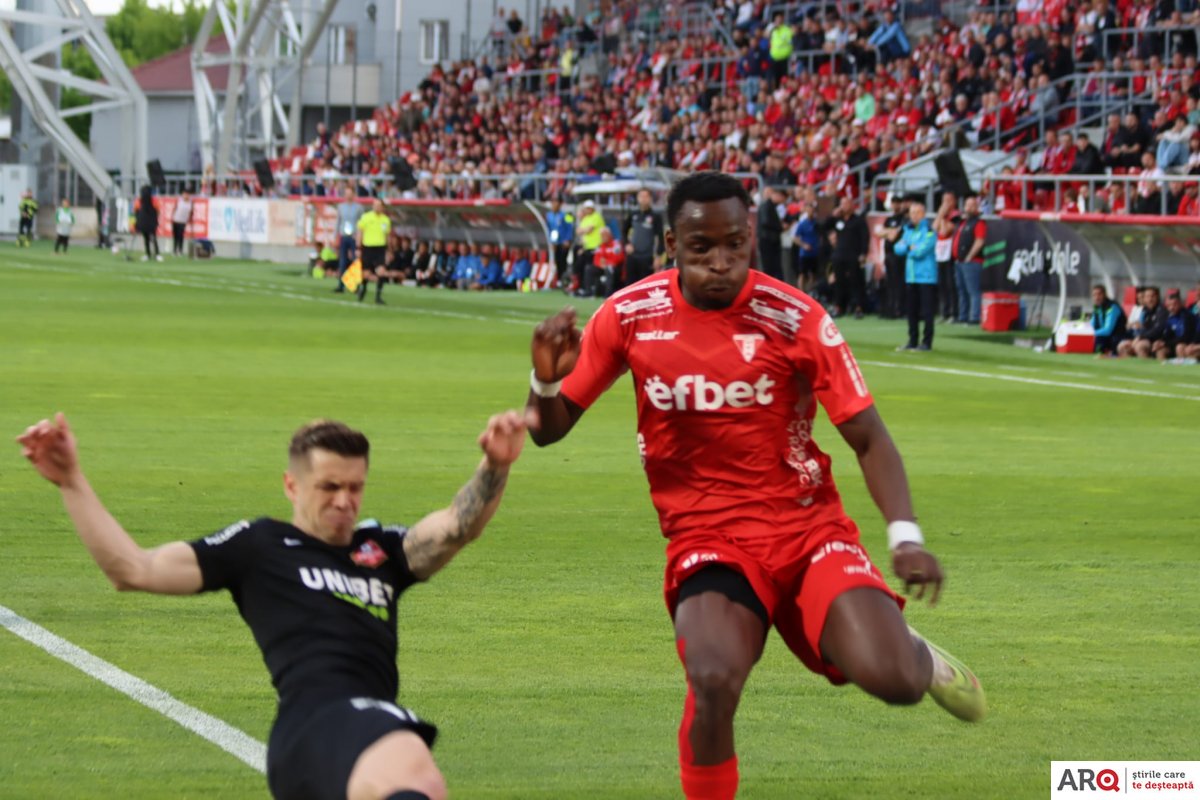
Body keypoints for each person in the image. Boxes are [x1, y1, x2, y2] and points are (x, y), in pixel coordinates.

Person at [525, 172, 985, 800]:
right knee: (712, 679)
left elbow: (870, 437)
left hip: (807, 528)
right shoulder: (629, 315)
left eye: (735, 245)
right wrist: (545, 381)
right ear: (671, 245)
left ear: (751, 241)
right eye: (701, 248)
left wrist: (906, 537)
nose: (720, 262)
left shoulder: (796, 318)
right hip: (708, 537)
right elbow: (548, 431)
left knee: (895, 681)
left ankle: (915, 654)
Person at [16, 410, 533, 800]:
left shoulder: (381, 550)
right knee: (417, 777)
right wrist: (71, 481)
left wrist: (495, 464)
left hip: (334, 750)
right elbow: (133, 568)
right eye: (329, 487)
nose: (344, 501)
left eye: (355, 487)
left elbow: (457, 526)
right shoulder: (259, 546)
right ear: (291, 485)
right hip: (321, 722)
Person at [892, 196, 938, 351]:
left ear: (923, 214)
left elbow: (921, 251)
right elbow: (897, 248)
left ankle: (927, 342)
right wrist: (909, 247)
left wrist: (909, 248)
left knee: (927, 312)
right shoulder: (908, 230)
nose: (914, 216)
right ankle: (912, 340)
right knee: (911, 311)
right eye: (912, 213)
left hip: (926, 277)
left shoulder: (929, 231)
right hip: (911, 277)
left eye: (917, 213)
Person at [827, 196, 869, 319]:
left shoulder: (858, 220)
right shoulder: (838, 220)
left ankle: (858, 307)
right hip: (839, 255)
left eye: (846, 204)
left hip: (853, 255)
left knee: (856, 281)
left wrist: (863, 253)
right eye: (842, 204)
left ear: (852, 205)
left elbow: (865, 237)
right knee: (839, 282)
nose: (844, 206)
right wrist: (833, 215)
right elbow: (823, 226)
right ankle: (839, 306)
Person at [951, 195, 987, 325]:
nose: (969, 208)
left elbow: (979, 241)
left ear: (977, 207)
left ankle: (974, 317)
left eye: (972, 205)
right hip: (959, 261)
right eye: (967, 205)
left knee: (973, 290)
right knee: (962, 290)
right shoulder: (962, 222)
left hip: (972, 262)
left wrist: (970, 256)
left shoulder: (978, 223)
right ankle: (963, 315)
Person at [623, 189, 666, 286]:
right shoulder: (633, 214)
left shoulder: (655, 216)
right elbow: (624, 231)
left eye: (646, 196)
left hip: (647, 256)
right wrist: (627, 244)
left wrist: (658, 257)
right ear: (637, 198)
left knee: (645, 285)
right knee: (630, 285)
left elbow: (660, 237)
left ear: (650, 199)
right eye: (641, 196)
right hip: (633, 255)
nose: (643, 199)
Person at [356, 199, 392, 304]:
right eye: (375, 205)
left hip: (380, 248)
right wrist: (358, 247)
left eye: (379, 205)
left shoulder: (386, 220)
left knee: (381, 272)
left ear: (383, 207)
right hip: (368, 248)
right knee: (366, 274)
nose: (377, 207)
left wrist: (389, 250)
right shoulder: (366, 217)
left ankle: (378, 296)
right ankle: (363, 288)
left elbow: (387, 236)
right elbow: (360, 232)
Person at [1117, 286, 1168, 358]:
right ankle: (1129, 365)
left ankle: (1145, 364)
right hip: (1142, 338)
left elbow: (1158, 330)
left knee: (1140, 346)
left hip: (1155, 340)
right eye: (1147, 296)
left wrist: (1140, 337)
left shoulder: (1161, 311)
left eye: (1152, 296)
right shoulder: (1145, 310)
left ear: (1157, 297)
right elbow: (1142, 327)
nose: (1150, 299)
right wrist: (1134, 338)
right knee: (1123, 346)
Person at [334, 187, 365, 293]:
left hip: (354, 236)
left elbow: (362, 223)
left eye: (349, 193)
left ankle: (355, 284)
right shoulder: (341, 207)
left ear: (353, 194)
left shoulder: (359, 208)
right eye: (346, 193)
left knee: (355, 261)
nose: (348, 195)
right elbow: (338, 222)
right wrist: (336, 236)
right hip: (344, 236)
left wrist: (360, 237)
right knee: (342, 261)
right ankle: (341, 285)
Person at [545, 198, 576, 288]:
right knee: (557, 260)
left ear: (560, 205)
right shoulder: (549, 215)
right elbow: (549, 229)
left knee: (563, 260)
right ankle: (559, 280)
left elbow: (570, 227)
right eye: (553, 203)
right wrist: (552, 242)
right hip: (556, 241)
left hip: (564, 241)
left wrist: (568, 240)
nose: (554, 205)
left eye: (556, 203)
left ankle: (564, 280)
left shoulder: (566, 215)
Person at [755, 187, 784, 281]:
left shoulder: (769, 206)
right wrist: (779, 227)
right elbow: (766, 222)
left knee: (771, 267)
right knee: (770, 267)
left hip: (768, 240)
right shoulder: (767, 206)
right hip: (768, 240)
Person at [1089, 285, 1127, 355]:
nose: (1097, 297)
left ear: (1104, 295)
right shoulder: (1097, 308)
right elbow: (1090, 326)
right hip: (1106, 337)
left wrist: (1090, 334)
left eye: (1099, 294)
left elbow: (1107, 330)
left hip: (1117, 337)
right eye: (1094, 295)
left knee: (1097, 341)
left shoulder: (1112, 307)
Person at [135, 185, 162, 262]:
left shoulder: (154, 200)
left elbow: (157, 211)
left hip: (150, 221)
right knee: (147, 238)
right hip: (144, 222)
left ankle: (156, 254)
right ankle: (148, 254)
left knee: (152, 238)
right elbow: (137, 211)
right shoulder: (139, 201)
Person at [171, 190, 194, 256]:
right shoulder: (179, 201)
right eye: (184, 194)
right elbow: (174, 209)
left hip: (183, 221)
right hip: (176, 220)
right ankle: (174, 250)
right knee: (175, 236)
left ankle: (180, 250)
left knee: (180, 236)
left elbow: (191, 212)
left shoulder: (190, 203)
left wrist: (190, 219)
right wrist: (172, 217)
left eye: (186, 195)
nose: (185, 196)